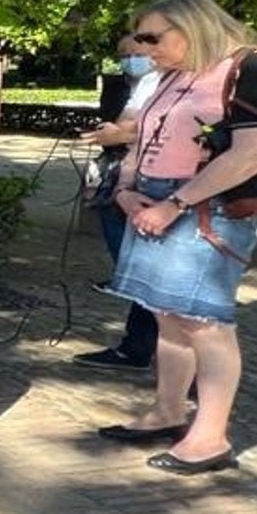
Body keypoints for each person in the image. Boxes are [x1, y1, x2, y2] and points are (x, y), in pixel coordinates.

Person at [98, 0, 257, 475]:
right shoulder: (172, 75)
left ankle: (210, 438)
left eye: (151, 38)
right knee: (167, 314)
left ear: (192, 25)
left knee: (205, 321)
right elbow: (142, 138)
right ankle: (168, 410)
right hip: (155, 200)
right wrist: (126, 189)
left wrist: (175, 204)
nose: (143, 49)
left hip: (207, 208)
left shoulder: (254, 70)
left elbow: (254, 153)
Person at [71, 33, 163, 370]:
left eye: (139, 50)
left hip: (171, 193)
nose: (131, 58)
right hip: (126, 182)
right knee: (138, 271)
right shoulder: (146, 82)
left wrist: (123, 134)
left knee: (156, 278)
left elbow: (163, 132)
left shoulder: (198, 80)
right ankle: (140, 347)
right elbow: (124, 127)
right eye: (125, 53)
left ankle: (151, 351)